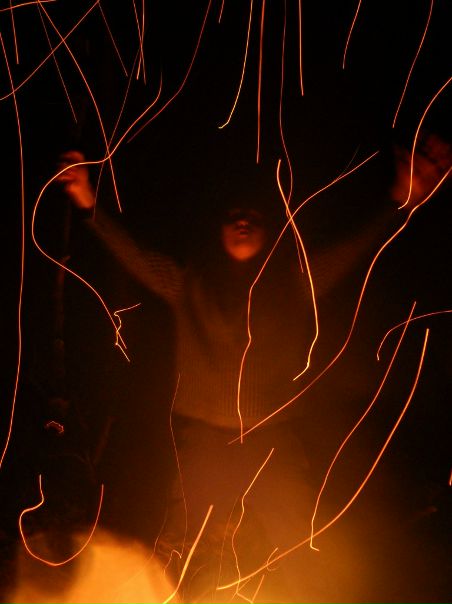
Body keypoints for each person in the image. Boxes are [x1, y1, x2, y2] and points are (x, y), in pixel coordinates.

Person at [55, 136, 450, 603]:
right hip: (203, 439)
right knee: (179, 545)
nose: (242, 222)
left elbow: (352, 249)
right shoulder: (188, 284)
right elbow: (132, 252)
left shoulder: (293, 282)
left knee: (300, 542)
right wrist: (87, 201)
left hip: (270, 442)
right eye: (233, 215)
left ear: (269, 230)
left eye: (254, 216)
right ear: (219, 227)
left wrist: (400, 204)